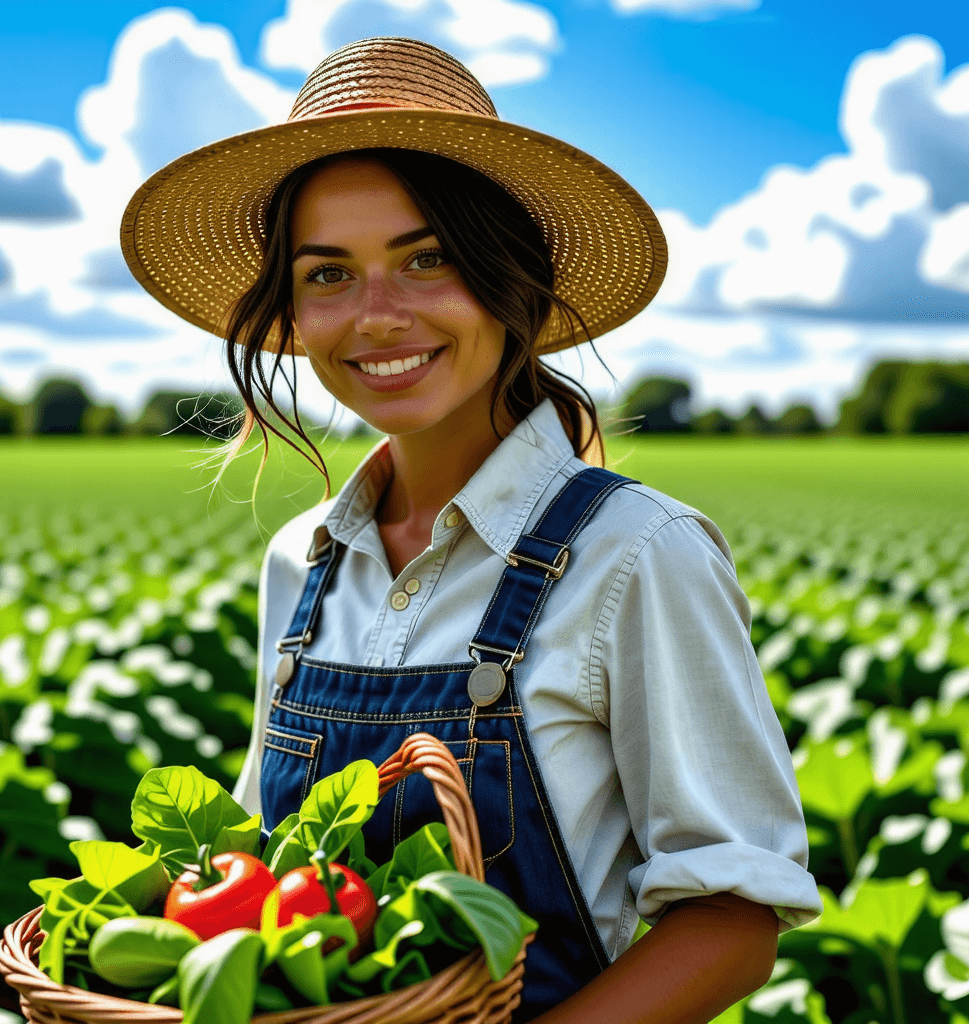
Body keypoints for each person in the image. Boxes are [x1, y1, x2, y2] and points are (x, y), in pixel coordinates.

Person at [121, 36, 823, 1023]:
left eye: (427, 258)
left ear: (510, 280)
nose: (375, 316)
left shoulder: (636, 552)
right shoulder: (303, 560)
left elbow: (733, 914)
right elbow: (266, 855)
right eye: (327, 274)